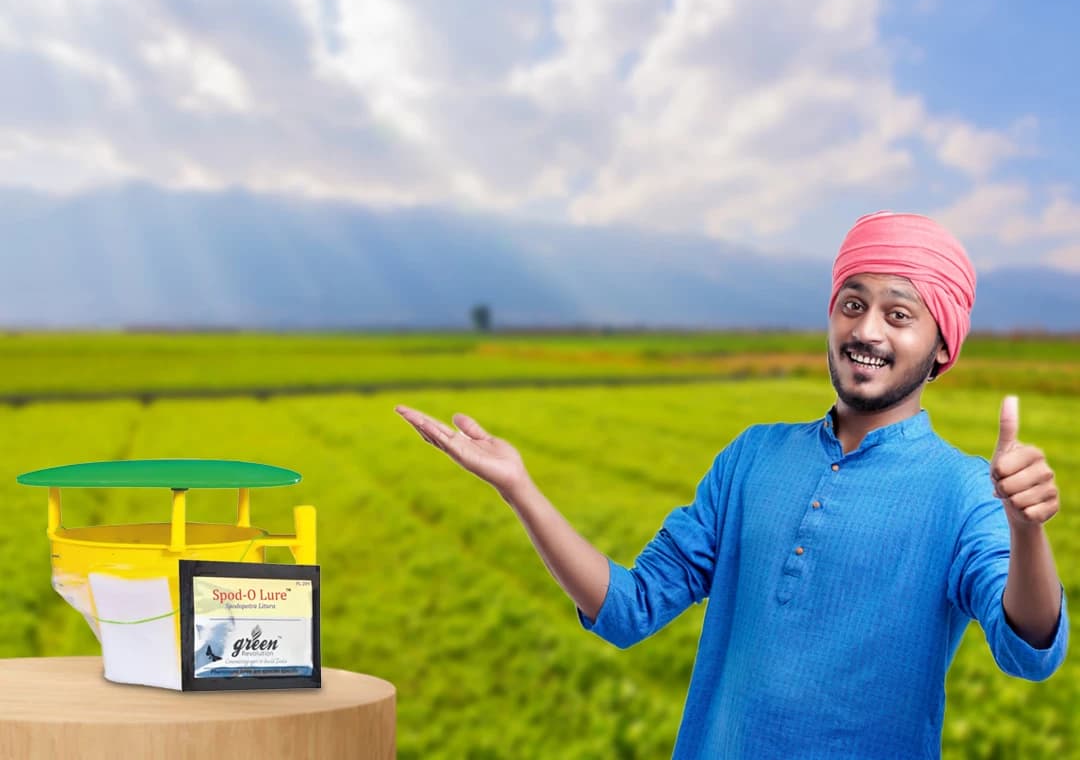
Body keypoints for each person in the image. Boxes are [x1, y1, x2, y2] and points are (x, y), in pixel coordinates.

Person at [396, 212, 1067, 758]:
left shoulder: (963, 490)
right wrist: (521, 490)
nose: (865, 330)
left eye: (899, 315)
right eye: (852, 304)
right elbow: (629, 608)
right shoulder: (752, 456)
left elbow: (1030, 651)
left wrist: (1026, 530)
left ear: (943, 344)